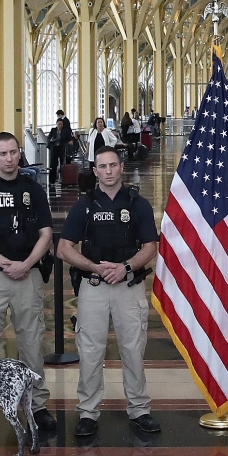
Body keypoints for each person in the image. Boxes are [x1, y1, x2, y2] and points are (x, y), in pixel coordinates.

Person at [57, 146, 161, 436]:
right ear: (95, 171)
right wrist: (93, 267)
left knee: (133, 350)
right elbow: (64, 248)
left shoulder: (137, 203)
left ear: (121, 167)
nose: (109, 171)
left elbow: (151, 247)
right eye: (102, 166)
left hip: (128, 286)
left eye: (113, 165)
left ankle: (140, 409)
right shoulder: (84, 205)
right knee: (90, 352)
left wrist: (125, 267)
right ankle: (88, 413)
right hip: (94, 287)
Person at [0, 132, 57, 440]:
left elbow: (46, 234)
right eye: (2, 153)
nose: (8, 158)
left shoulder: (33, 188)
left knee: (32, 341)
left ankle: (38, 406)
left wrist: (27, 263)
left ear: (20, 154)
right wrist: (5, 263)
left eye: (13, 152)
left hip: (27, 275)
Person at [48, 119, 66, 184]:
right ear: (56, 124)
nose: (60, 126)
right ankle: (52, 180)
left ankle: (62, 179)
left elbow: (67, 138)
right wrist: (51, 140)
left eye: (61, 124)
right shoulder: (53, 130)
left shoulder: (64, 131)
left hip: (61, 149)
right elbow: (49, 138)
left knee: (62, 164)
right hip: (54, 148)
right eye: (59, 124)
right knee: (53, 164)